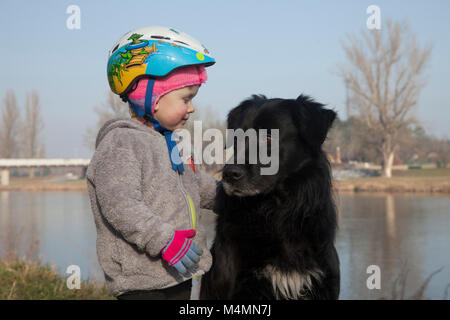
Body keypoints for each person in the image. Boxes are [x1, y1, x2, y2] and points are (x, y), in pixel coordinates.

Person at [86, 26, 218, 300]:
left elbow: (196, 185)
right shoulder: (122, 144)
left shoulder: (173, 142)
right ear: (151, 98)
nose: (192, 108)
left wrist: (236, 198)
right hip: (141, 280)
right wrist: (165, 241)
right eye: (186, 99)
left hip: (179, 270)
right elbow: (120, 206)